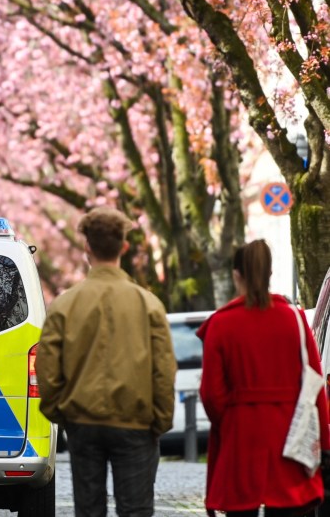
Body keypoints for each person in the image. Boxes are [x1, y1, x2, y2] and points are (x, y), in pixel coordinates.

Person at [35, 206, 176, 517]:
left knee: (89, 510)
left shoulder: (65, 304)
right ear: (124, 246)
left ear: (87, 247)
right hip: (136, 422)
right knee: (136, 510)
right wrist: (160, 421)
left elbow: (46, 367)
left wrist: (60, 412)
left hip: (83, 422)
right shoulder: (148, 304)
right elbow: (164, 369)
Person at [198, 240, 330, 516]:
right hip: (288, 438)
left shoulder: (221, 325)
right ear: (270, 274)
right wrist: (324, 447)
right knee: (287, 507)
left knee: (240, 508)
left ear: (237, 275)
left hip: (241, 437)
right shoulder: (293, 320)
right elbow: (315, 386)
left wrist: (232, 420)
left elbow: (211, 394)